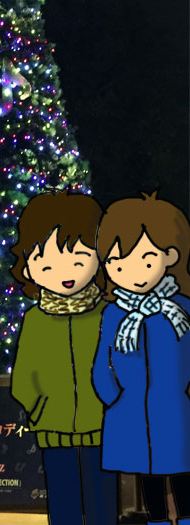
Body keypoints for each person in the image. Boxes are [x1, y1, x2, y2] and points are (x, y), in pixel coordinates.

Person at [10, 189, 117, 525]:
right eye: (47, 263)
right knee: (63, 504)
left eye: (78, 260)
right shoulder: (35, 319)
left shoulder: (108, 314)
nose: (66, 273)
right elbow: (24, 375)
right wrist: (39, 407)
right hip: (53, 428)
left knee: (103, 504)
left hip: (102, 427)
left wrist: (114, 403)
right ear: (28, 265)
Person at [93, 191, 190, 525]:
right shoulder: (114, 313)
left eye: (146, 260)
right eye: (118, 263)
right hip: (131, 409)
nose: (133, 272)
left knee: (183, 471)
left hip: (176, 407)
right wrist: (114, 398)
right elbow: (102, 362)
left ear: (170, 255)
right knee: (148, 474)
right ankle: (158, 521)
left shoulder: (181, 309)